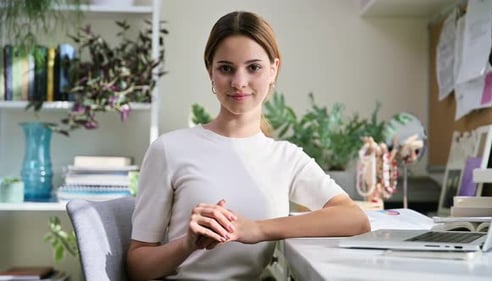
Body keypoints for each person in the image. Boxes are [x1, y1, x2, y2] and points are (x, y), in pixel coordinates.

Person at [127, 10, 370, 281]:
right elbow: (138, 268)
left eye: (253, 67)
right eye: (226, 68)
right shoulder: (169, 150)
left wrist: (256, 229)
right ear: (210, 71)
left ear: (273, 70)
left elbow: (354, 219)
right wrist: (187, 244)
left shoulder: (286, 157)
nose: (239, 82)